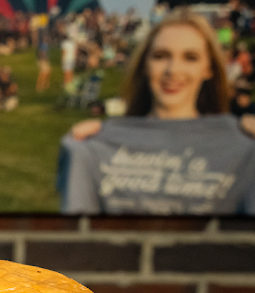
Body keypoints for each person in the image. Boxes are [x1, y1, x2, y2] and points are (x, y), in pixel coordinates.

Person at [58, 12, 255, 214]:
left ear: (208, 69)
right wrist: (82, 150)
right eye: (160, 56)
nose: (173, 70)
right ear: (145, 64)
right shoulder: (93, 148)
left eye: (190, 58)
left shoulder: (246, 152)